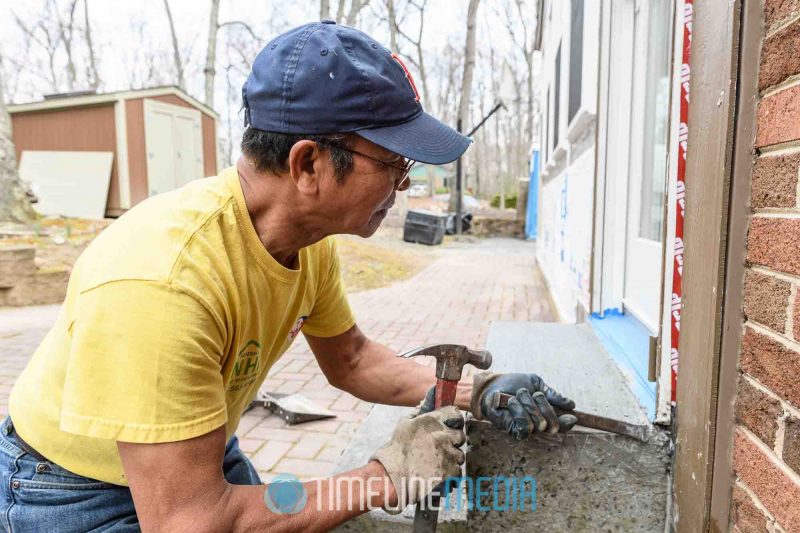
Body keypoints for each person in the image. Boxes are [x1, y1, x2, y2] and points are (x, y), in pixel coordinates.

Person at [1, 21, 576, 532]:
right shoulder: (164, 283)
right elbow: (191, 521)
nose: (402, 188)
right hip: (75, 493)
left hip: (200, 462)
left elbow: (350, 359)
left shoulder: (306, 240)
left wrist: (481, 392)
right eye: (394, 165)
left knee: (280, 505)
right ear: (308, 165)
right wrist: (383, 476)